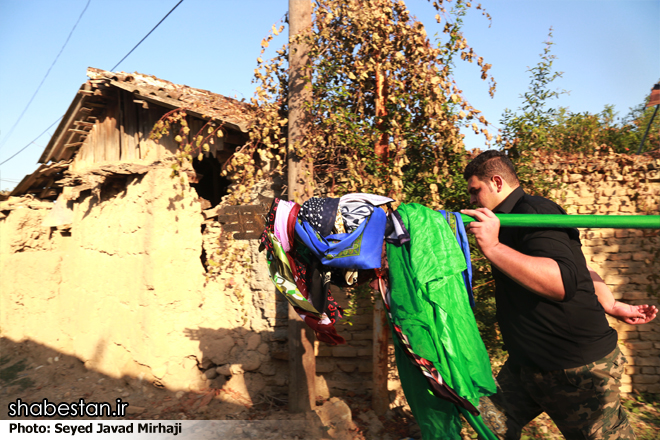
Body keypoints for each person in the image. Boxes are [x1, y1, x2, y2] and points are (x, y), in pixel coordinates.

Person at [460, 150, 657, 440]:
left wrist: (493, 248)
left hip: (576, 369)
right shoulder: (505, 220)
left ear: (497, 182)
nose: (472, 200)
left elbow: (562, 282)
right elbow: (579, 265)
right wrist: (610, 303)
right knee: (486, 427)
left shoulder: (534, 212)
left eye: (475, 191)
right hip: (527, 366)